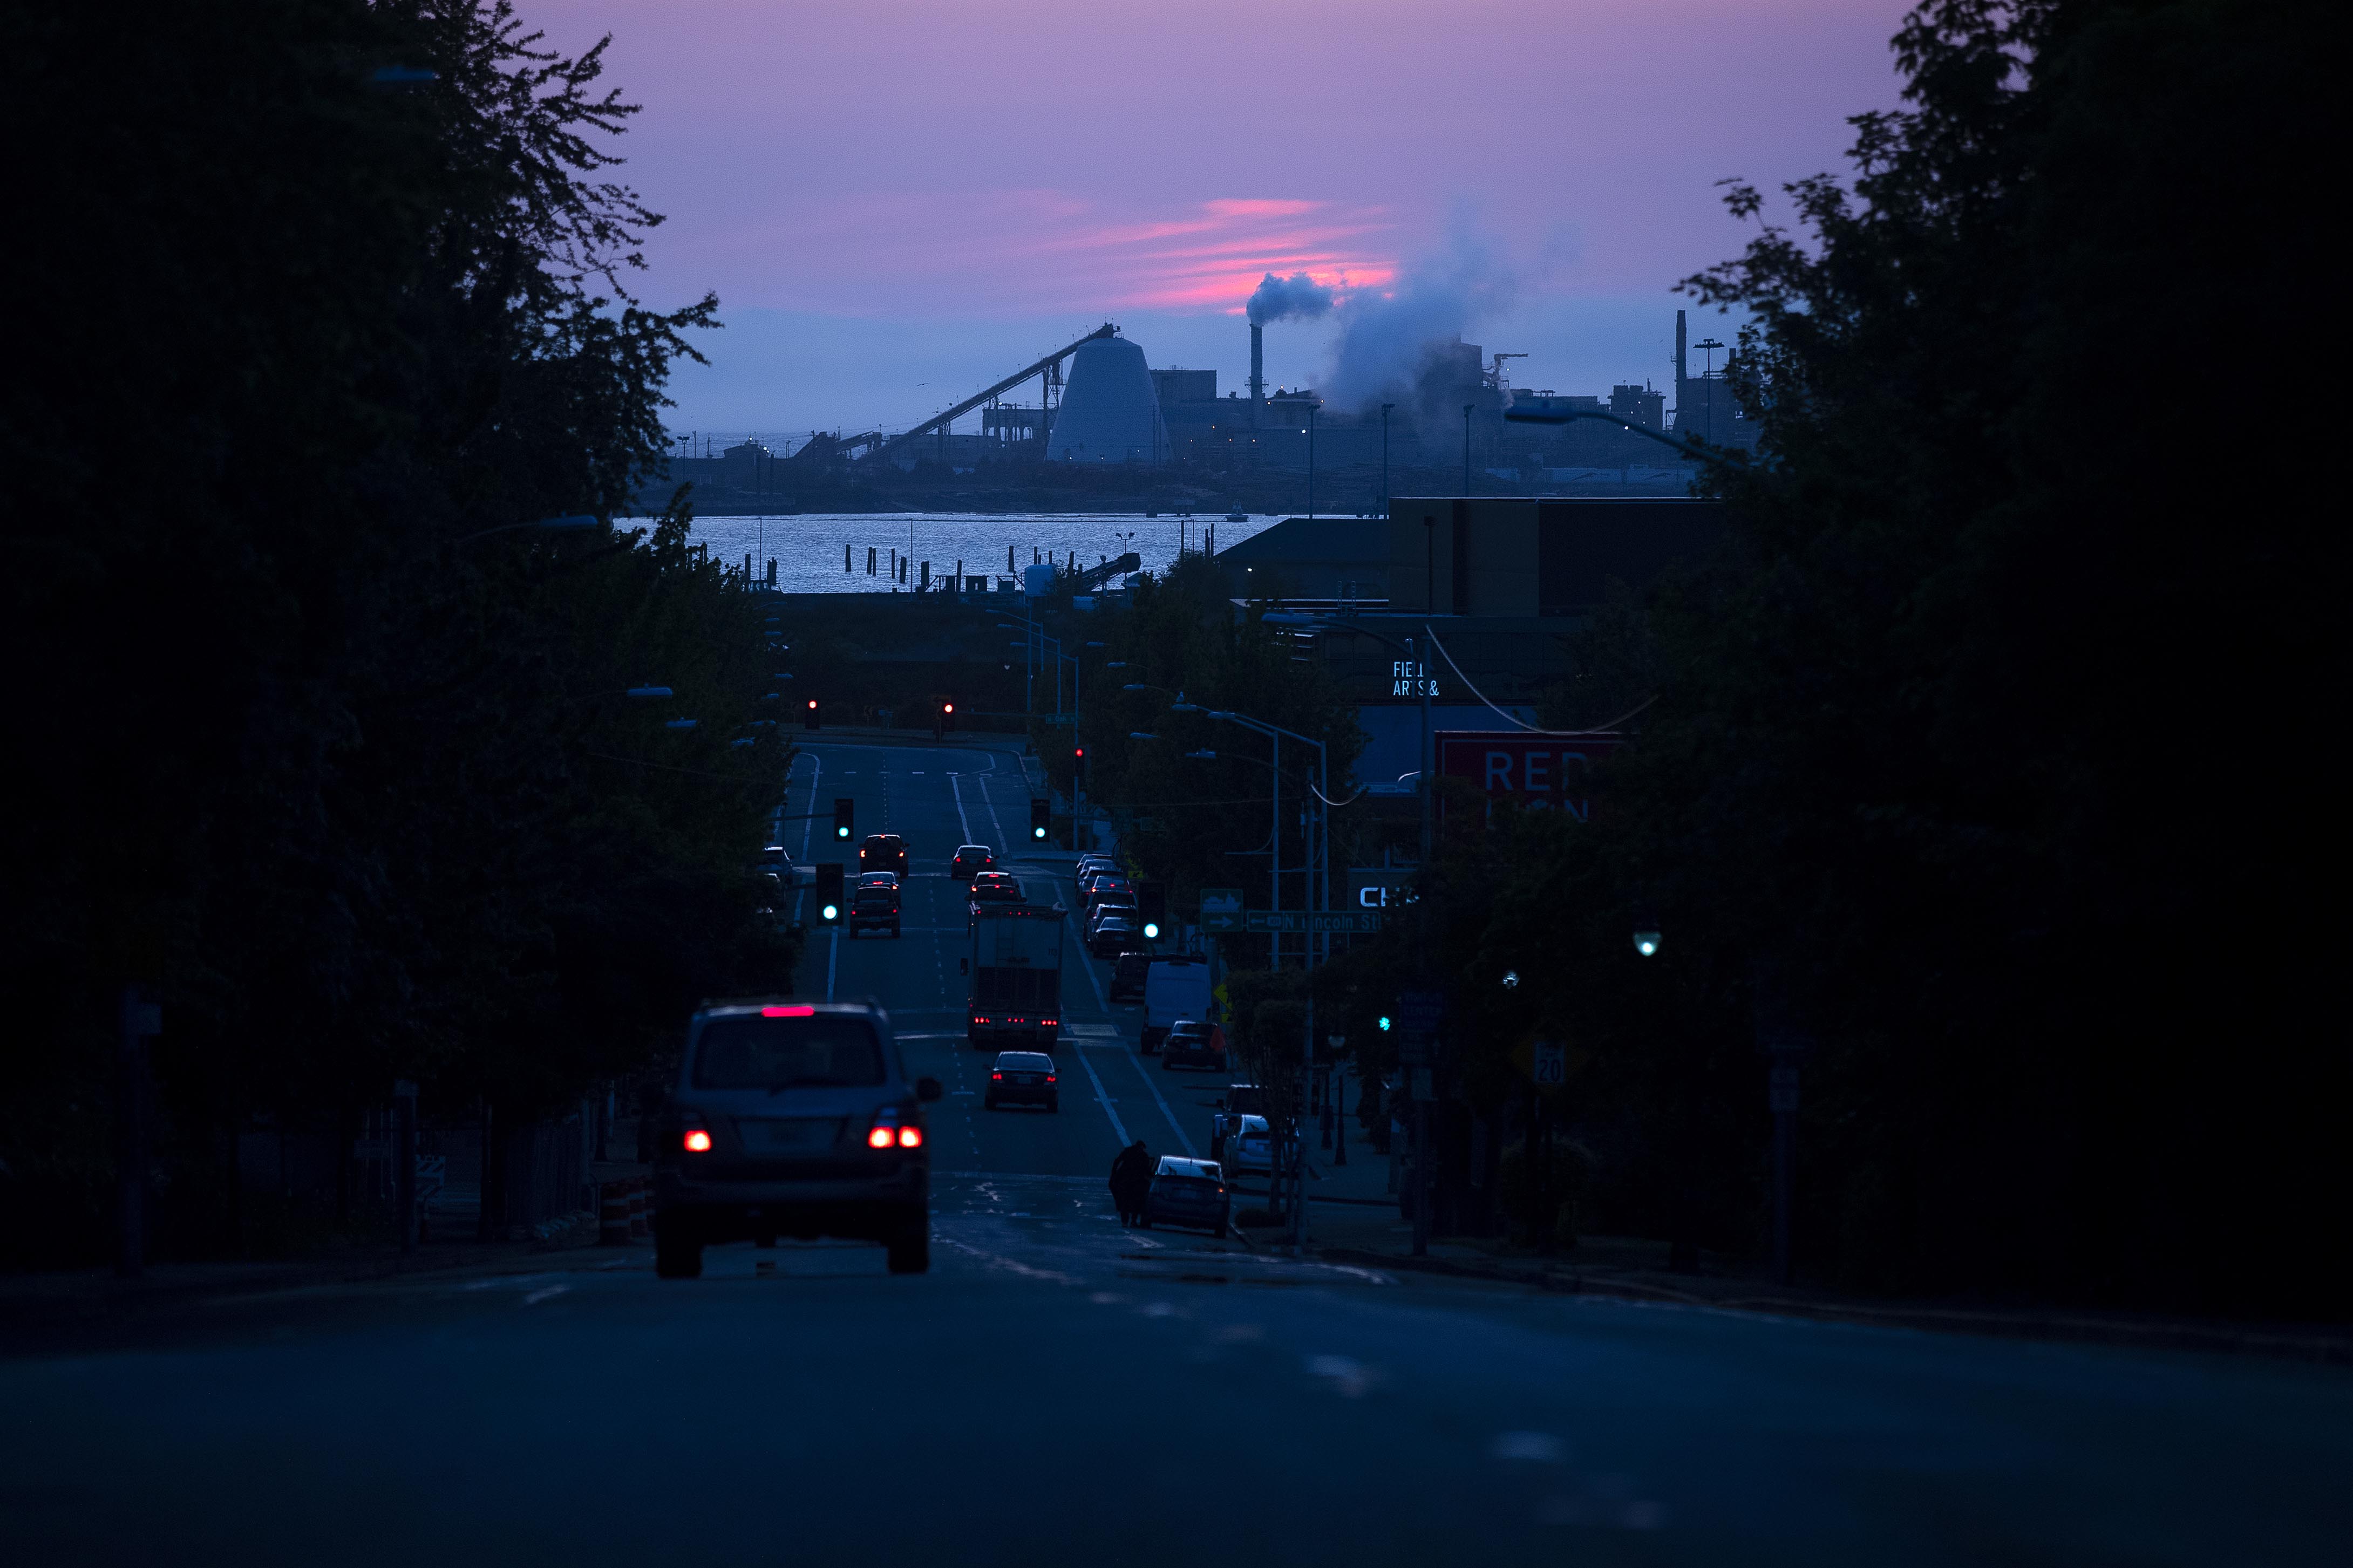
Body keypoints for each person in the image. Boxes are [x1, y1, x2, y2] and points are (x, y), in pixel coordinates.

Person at [1109, 1140, 1151, 1226]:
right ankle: (1132, 1221)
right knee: (1135, 1202)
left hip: (1126, 1181)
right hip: (1135, 1182)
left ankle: (1126, 1221)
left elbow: (1117, 1162)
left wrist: (1114, 1175)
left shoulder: (1128, 1152)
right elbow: (1147, 1170)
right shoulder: (1143, 1156)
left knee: (1125, 1202)